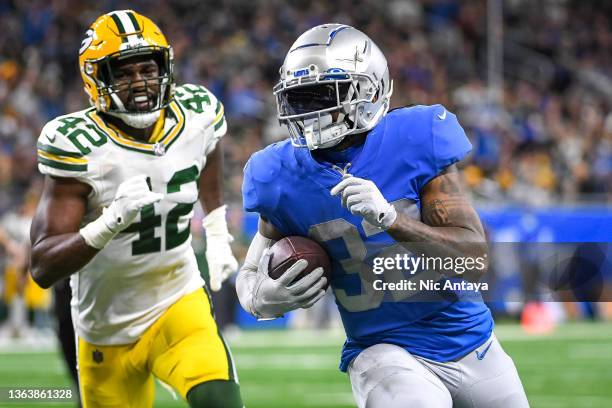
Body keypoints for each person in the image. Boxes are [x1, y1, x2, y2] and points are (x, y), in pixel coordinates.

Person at [237, 24, 529, 408]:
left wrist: (393, 220)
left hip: (471, 340)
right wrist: (259, 297)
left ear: (368, 90)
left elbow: (474, 260)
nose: (309, 113)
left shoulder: (417, 136)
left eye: (322, 95)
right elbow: (251, 271)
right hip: (380, 349)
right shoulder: (277, 175)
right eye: (299, 98)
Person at [29, 10, 243, 408]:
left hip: (177, 298)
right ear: (96, 79)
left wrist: (216, 231)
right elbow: (42, 266)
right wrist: (108, 223)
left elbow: (209, 154)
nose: (141, 82)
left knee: (219, 399)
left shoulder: (196, 113)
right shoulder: (77, 142)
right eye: (123, 73)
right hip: (105, 328)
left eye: (148, 68)